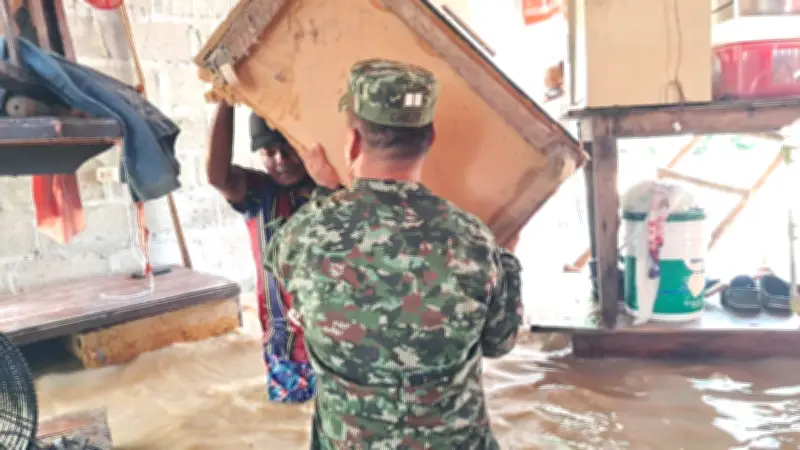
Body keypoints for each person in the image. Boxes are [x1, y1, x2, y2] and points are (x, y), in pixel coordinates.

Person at [265, 59, 523, 449]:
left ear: (352, 140)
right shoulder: (475, 241)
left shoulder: (302, 235)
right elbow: (500, 343)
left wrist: (328, 192)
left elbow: (302, 297)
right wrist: (507, 262)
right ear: (431, 138)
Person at [206, 103, 337, 404]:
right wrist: (225, 100)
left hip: (338, 340)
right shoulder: (258, 193)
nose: (280, 160)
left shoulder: (336, 191)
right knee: (290, 423)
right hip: (286, 345)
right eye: (268, 152)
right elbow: (217, 177)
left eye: (289, 149)